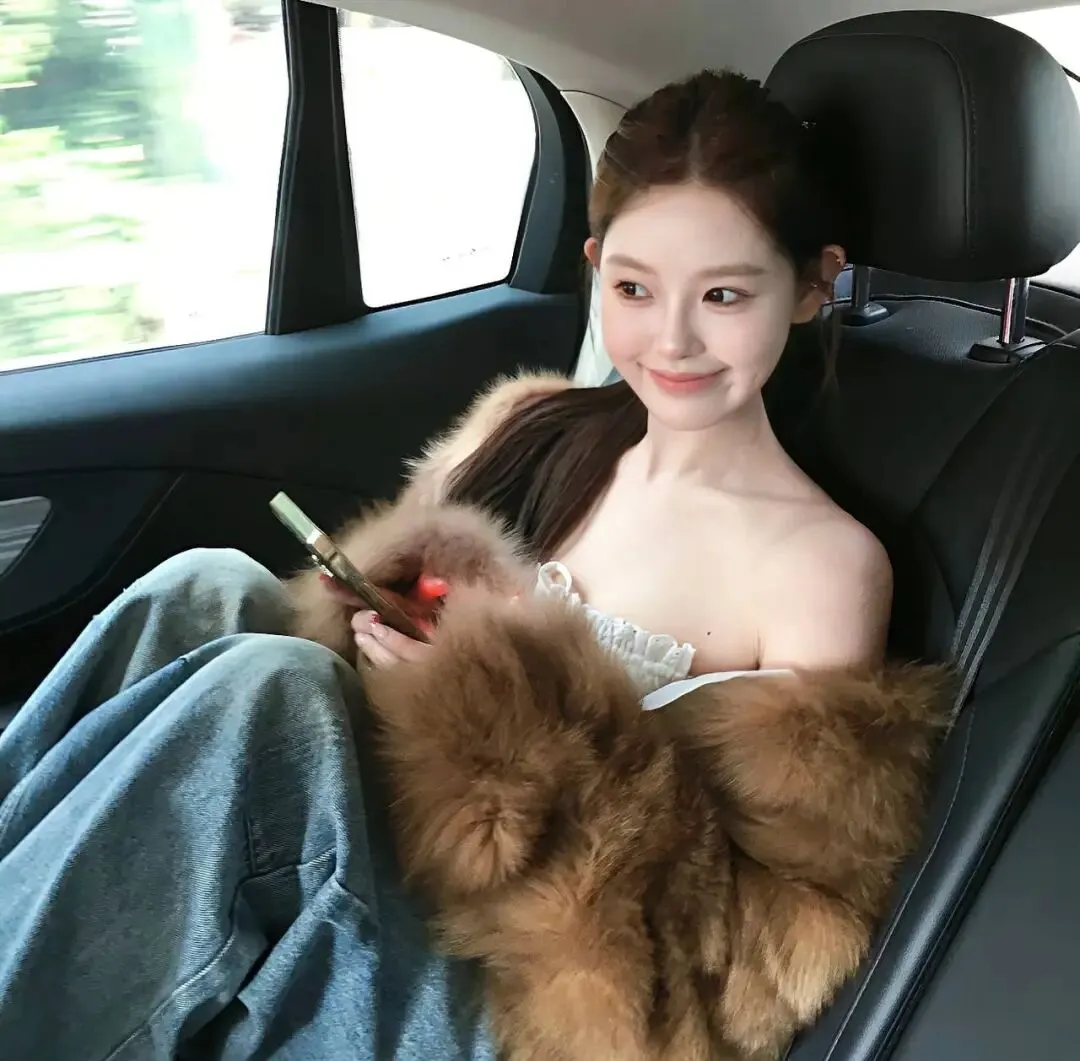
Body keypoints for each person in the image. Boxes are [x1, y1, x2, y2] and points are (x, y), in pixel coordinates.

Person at [0, 70, 890, 1060]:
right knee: (207, 584)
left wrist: (497, 722)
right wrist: (397, 620)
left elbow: (761, 961)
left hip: (538, 1002)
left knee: (276, 689)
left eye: (723, 294)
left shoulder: (822, 568)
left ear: (813, 285)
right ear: (595, 267)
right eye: (635, 288)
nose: (673, 338)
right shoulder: (540, 431)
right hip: (394, 861)